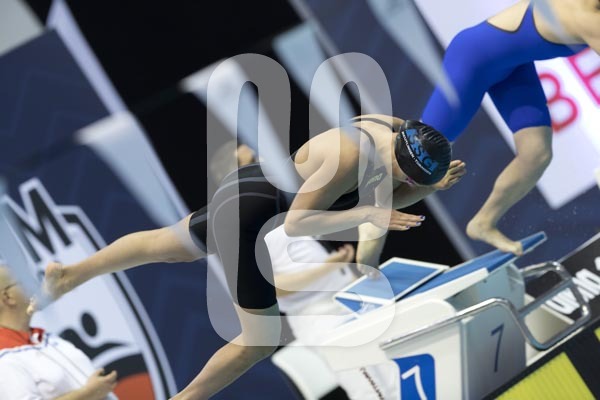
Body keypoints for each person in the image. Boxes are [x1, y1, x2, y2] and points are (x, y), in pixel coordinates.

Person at [43, 115, 466, 399]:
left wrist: (428, 186)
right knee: (259, 341)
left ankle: (72, 274)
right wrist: (368, 214)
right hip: (251, 218)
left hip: (252, 188)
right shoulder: (349, 157)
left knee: (165, 246)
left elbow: (397, 191)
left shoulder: (391, 128)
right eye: (408, 177)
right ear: (400, 154)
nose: (407, 185)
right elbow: (297, 224)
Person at [421, 0, 600, 255]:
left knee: (536, 154)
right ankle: (374, 215)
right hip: (472, 59)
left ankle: (483, 222)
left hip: (515, 66)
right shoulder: (588, 18)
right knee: (420, 156)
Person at [0, 265, 118, 400]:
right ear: (8, 297)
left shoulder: (46, 338)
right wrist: (88, 393)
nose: (36, 285)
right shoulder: (3, 355)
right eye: (24, 280)